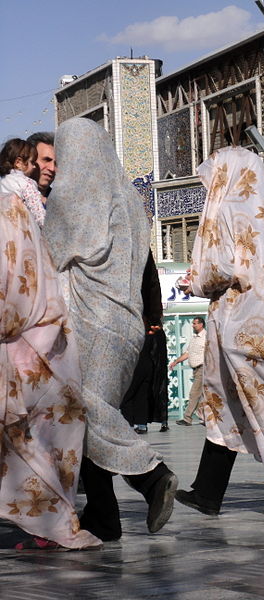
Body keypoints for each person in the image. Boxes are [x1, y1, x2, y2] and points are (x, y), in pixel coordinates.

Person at [43, 117, 177, 542]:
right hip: (126, 321)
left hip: (91, 320)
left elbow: (52, 251)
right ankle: (105, 516)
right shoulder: (127, 198)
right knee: (88, 418)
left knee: (82, 407)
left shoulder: (75, 192)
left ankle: (151, 475)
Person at [175, 146, 264, 519]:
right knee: (244, 399)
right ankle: (211, 492)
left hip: (239, 320)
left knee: (257, 402)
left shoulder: (224, 208)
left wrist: (193, 283)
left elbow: (218, 268)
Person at [0, 191, 101, 551]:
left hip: (17, 358)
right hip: (48, 363)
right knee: (42, 446)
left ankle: (47, 523)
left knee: (27, 446)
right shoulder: (42, 271)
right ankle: (47, 524)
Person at [121, 252, 170, 434]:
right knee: (139, 384)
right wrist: (154, 319)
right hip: (141, 328)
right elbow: (152, 285)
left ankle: (129, 422)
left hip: (128, 328)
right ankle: (138, 422)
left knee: (131, 384)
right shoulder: (140, 244)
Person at [0, 138, 46, 227]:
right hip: (22, 230)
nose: (34, 167)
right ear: (18, 163)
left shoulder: (3, 181)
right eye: (32, 162)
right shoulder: (27, 183)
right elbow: (38, 213)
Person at [169, 317, 206, 426]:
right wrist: (176, 361)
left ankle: (187, 418)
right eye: (193, 323)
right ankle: (204, 419)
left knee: (194, 393)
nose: (193, 325)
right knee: (201, 395)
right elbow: (188, 353)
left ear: (201, 324)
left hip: (202, 368)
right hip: (195, 369)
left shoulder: (206, 337)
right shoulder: (194, 338)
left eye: (195, 323)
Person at [26, 132, 56, 197]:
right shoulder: (8, 198)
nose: (52, 168)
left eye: (56, 164)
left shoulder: (62, 203)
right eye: (46, 160)